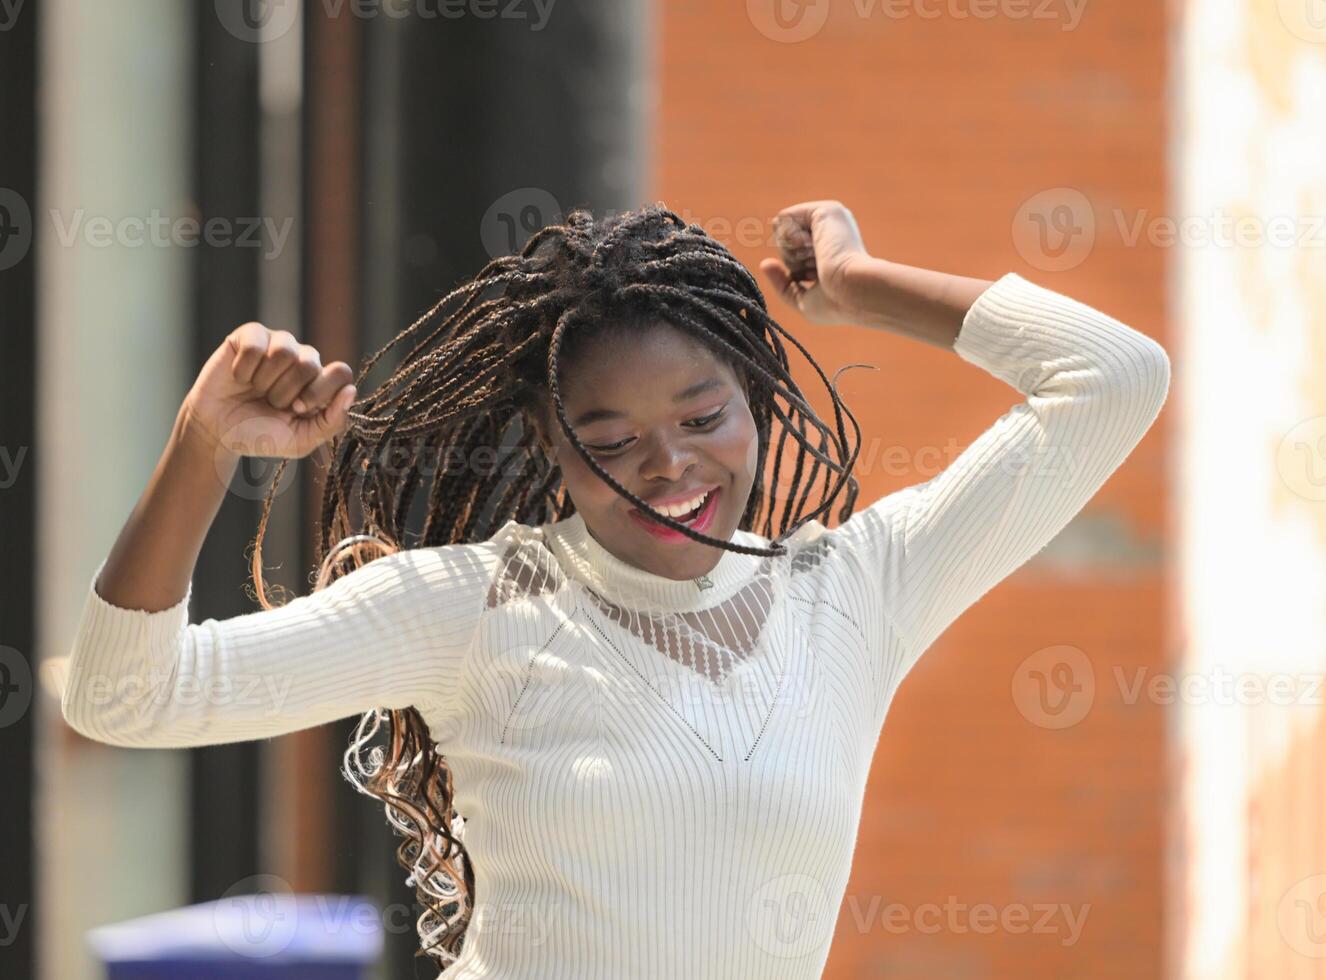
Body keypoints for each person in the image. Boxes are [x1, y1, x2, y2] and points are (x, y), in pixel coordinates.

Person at [61, 200, 1170, 978]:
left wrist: (858, 287)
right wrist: (204, 443)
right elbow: (124, 698)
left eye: (703, 416)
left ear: (757, 399)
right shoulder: (473, 607)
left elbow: (1115, 376)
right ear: (549, 439)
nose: (673, 466)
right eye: (612, 436)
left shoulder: (856, 590)